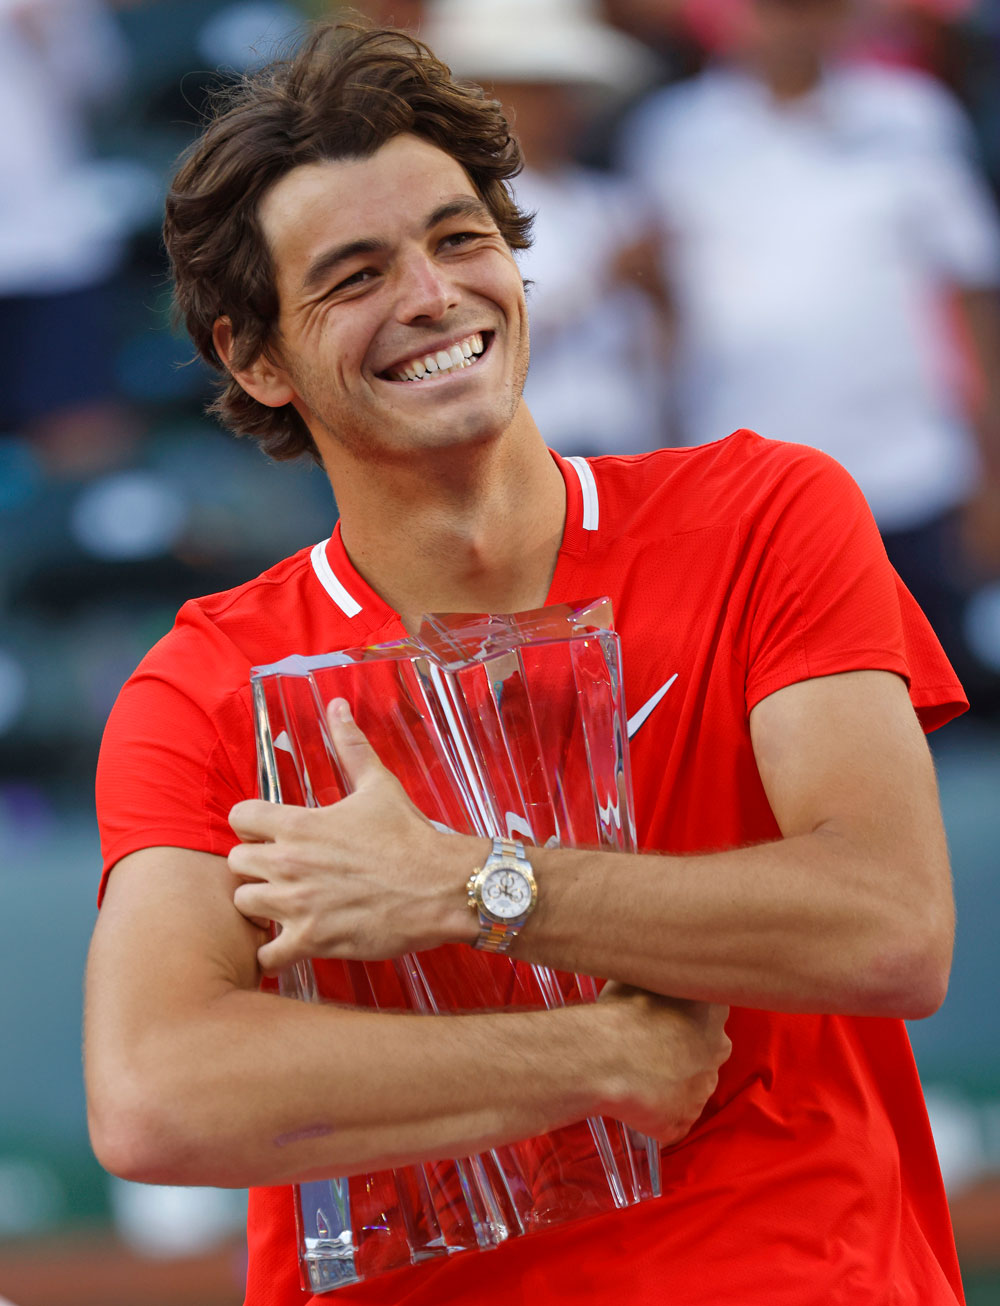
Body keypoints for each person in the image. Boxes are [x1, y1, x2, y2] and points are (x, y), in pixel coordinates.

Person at [84, 20, 966, 1306]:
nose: (433, 296)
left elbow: (890, 929)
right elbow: (157, 1093)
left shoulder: (767, 511)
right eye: (354, 275)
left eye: (460, 239)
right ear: (251, 355)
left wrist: (471, 888)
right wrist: (597, 1050)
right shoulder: (207, 682)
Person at [619, 0, 1000, 707]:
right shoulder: (672, 133)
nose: (794, 25)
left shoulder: (913, 117)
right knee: (779, 705)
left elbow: (973, 295)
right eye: (778, 9)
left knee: (932, 709)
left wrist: (991, 470)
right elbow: (657, 312)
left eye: (814, 8)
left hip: (907, 471)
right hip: (746, 483)